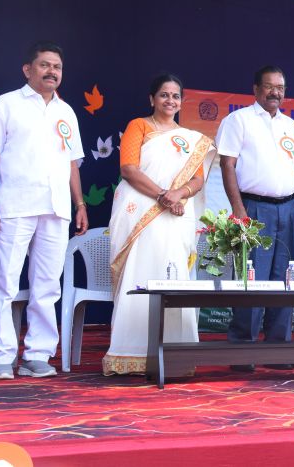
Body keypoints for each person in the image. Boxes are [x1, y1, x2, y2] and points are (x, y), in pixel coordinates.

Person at [0, 42, 88, 380]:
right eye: (44, 65)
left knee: (47, 286)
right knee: (5, 283)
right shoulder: (6, 104)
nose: (52, 71)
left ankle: (37, 354)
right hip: (14, 206)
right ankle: (1, 357)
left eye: (57, 66)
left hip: (56, 208)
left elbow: (72, 163)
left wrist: (80, 203)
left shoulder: (66, 111)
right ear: (28, 69)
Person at [102, 74, 215, 375]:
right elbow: (129, 169)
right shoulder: (139, 126)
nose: (170, 101)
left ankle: (177, 354)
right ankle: (130, 354)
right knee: (140, 273)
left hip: (176, 215)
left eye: (175, 96)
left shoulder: (191, 138)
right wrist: (164, 195)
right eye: (164, 95)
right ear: (152, 99)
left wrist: (179, 193)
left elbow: (198, 179)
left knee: (173, 275)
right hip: (141, 211)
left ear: (181, 101)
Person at [215, 66, 294, 370]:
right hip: (254, 208)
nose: (275, 93)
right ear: (256, 89)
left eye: (280, 88)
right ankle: (242, 350)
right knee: (251, 278)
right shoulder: (238, 120)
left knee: (284, 279)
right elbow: (227, 165)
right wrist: (238, 209)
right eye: (269, 86)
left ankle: (277, 349)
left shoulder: (292, 126)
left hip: (289, 210)